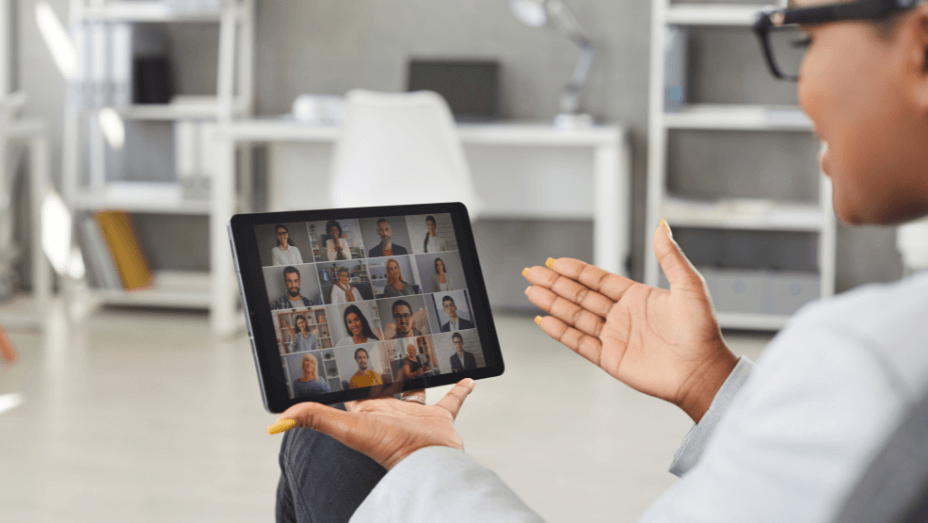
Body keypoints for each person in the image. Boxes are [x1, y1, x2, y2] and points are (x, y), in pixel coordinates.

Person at [270, 0, 928, 521]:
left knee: (326, 434)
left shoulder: (872, 357)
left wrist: (423, 455)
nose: (803, 83)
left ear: (921, 48)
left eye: (803, 38)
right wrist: (712, 383)